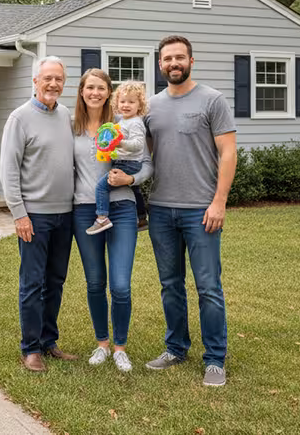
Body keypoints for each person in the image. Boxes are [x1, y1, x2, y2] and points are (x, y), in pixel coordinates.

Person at [144, 35, 237, 387]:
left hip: (201, 210)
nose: (173, 63)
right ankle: (176, 347)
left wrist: (219, 202)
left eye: (179, 57)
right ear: (160, 65)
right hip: (161, 210)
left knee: (208, 286)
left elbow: (228, 152)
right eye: (167, 59)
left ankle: (215, 359)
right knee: (170, 285)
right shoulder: (151, 106)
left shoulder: (212, 100)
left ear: (191, 61)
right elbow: (145, 155)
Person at [0, 56, 77, 372]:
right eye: (47, 78)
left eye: (58, 79)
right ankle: (30, 348)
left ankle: (49, 341)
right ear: (35, 81)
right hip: (34, 216)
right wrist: (19, 214)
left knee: (55, 281)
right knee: (32, 282)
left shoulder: (67, 116)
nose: (53, 84)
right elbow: (8, 171)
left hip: (65, 215)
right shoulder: (19, 119)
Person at [72, 69, 153, 372]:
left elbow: (146, 164)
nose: (95, 93)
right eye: (89, 87)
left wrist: (130, 178)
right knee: (95, 283)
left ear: (109, 93)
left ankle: (120, 347)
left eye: (101, 88)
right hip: (83, 211)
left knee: (120, 286)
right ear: (82, 91)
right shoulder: (72, 129)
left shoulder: (123, 124)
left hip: (121, 209)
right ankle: (102, 344)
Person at [88, 80, 148, 234]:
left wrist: (119, 143)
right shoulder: (123, 121)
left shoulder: (135, 123)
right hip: (125, 160)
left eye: (131, 102)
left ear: (139, 105)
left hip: (128, 164)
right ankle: (141, 218)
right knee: (135, 190)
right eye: (122, 101)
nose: (125, 105)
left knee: (102, 187)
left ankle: (102, 218)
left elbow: (138, 144)